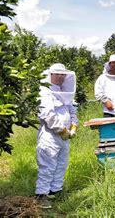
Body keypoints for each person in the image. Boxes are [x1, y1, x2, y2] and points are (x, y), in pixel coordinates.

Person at [35, 63, 78, 209]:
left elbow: (71, 110)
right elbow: (47, 114)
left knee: (61, 165)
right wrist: (61, 130)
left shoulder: (64, 91)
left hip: (64, 137)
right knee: (47, 166)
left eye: (62, 74)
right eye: (57, 74)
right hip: (50, 136)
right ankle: (41, 195)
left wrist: (74, 125)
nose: (60, 76)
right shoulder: (44, 91)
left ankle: (55, 191)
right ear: (50, 75)